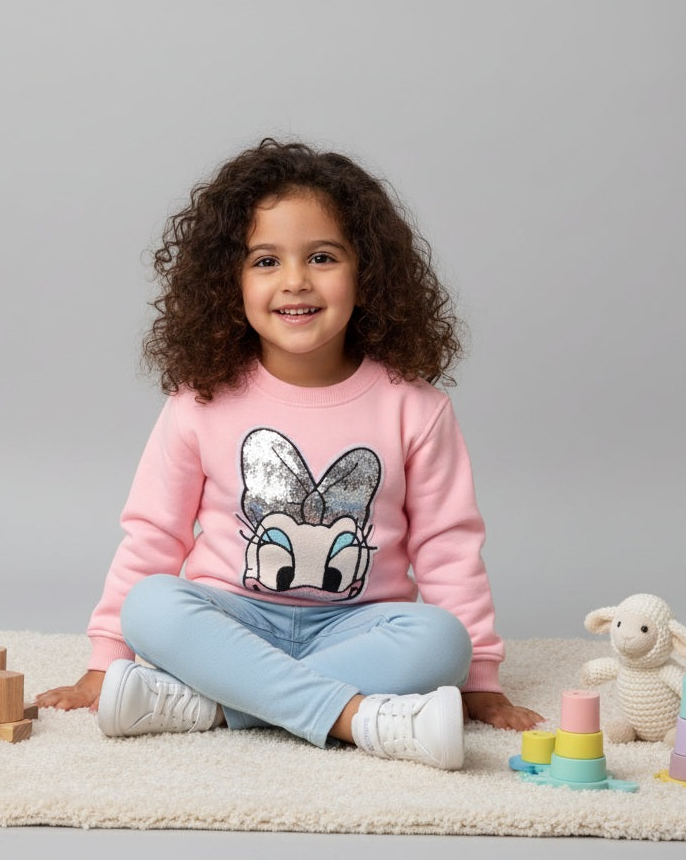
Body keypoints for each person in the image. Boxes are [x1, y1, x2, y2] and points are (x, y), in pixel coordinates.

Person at [36, 138, 543, 769]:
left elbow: (448, 545)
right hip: (232, 621)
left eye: (322, 257)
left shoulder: (414, 407)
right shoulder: (201, 401)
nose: (295, 281)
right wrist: (105, 659)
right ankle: (357, 717)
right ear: (229, 281)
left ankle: (215, 706)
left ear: (369, 273)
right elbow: (153, 535)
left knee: (441, 641)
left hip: (358, 626)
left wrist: (481, 682)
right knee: (153, 607)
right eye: (265, 261)